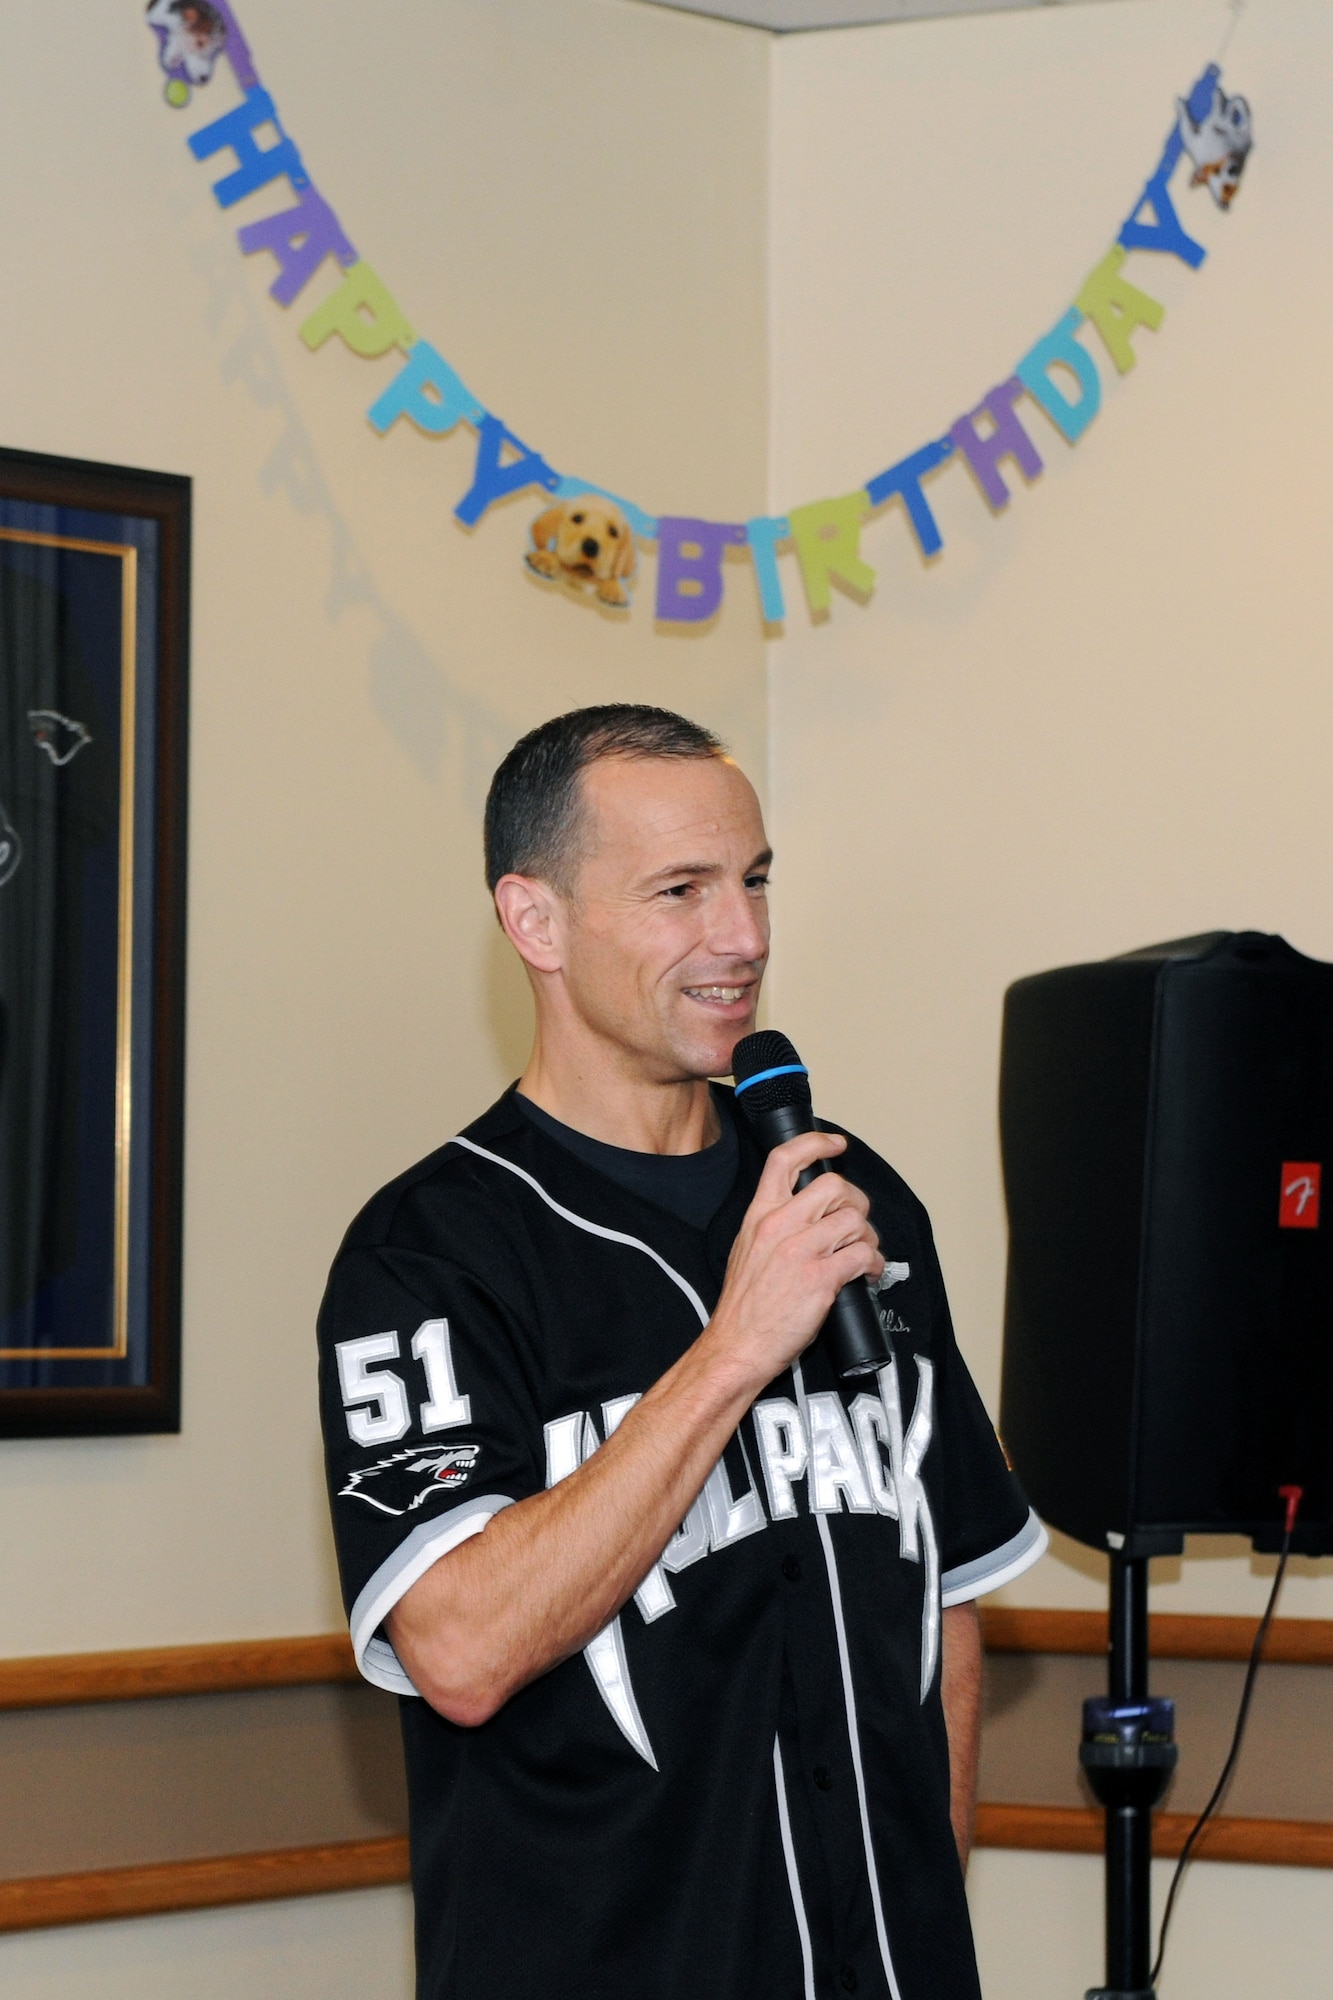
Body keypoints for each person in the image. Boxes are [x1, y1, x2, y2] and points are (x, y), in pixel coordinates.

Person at [317, 704, 1046, 2000]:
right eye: (680, 892)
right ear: (534, 921)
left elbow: (938, 1609)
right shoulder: (428, 1257)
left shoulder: (842, 1195)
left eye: (753, 881)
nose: (744, 938)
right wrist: (732, 1352)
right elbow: (463, 1653)